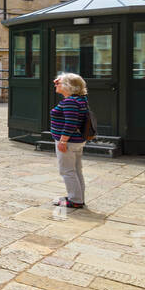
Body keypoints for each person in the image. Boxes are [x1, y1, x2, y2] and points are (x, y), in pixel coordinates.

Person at [50, 73, 91, 209]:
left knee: (67, 170)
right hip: (77, 141)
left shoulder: (70, 102)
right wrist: (60, 81)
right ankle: (78, 197)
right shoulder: (80, 99)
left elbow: (70, 123)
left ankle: (75, 200)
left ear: (68, 87)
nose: (56, 84)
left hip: (68, 142)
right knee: (76, 170)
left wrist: (62, 141)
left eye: (59, 83)